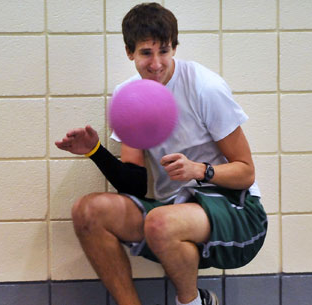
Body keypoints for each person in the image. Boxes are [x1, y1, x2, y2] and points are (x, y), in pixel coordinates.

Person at [54, 3, 267, 305]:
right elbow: (134, 185)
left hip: (238, 211)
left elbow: (246, 171)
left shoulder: (204, 87)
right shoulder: (129, 96)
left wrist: (199, 170)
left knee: (160, 223)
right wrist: (94, 151)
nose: (156, 64)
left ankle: (191, 302)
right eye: (145, 53)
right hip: (175, 211)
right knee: (87, 212)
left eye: (164, 51)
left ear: (174, 48)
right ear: (130, 52)